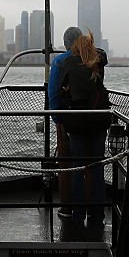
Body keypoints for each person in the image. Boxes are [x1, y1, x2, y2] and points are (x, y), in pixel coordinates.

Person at [55, 31, 110, 228]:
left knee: (77, 169)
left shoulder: (68, 63)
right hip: (98, 122)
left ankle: (77, 216)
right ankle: (96, 216)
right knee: (96, 169)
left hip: (77, 123)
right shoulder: (99, 61)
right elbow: (103, 54)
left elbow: (61, 92)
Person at [47, 26, 85, 218]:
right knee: (93, 166)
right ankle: (96, 213)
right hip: (95, 119)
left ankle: (71, 210)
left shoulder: (61, 61)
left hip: (69, 120)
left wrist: (57, 119)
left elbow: (53, 92)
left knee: (70, 166)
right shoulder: (93, 58)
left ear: (66, 43)